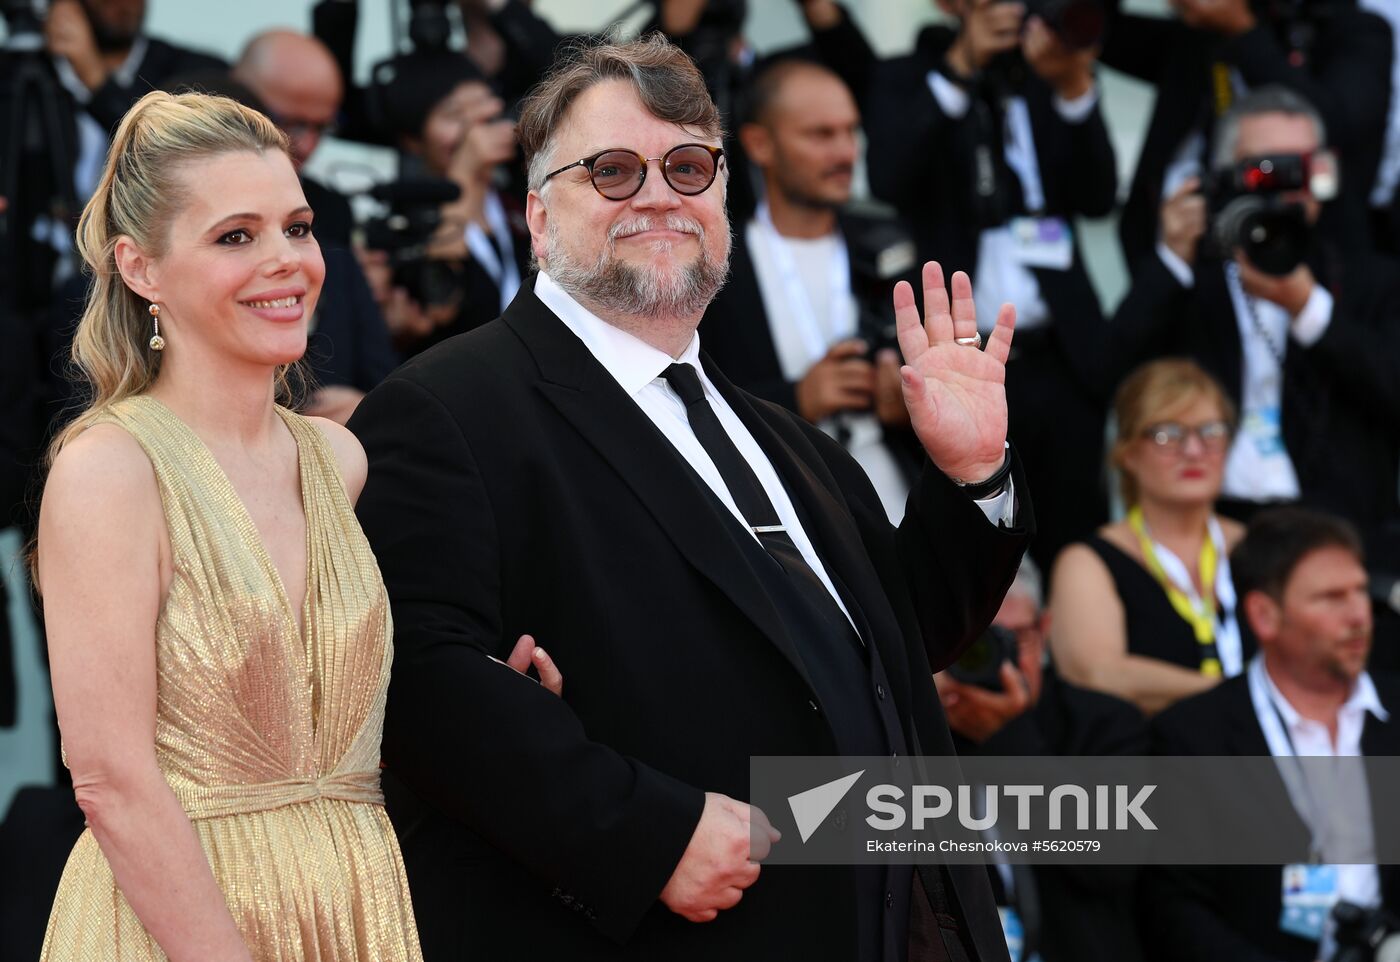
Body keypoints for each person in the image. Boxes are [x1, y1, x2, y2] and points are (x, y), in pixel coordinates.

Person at [350, 34, 1032, 962]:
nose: (660, 194)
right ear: (539, 219)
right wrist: (647, 832)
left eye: (687, 166)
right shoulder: (444, 409)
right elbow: (417, 683)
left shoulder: (791, 440)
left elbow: (906, 643)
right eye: (614, 171)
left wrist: (971, 476)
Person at [31, 89, 424, 961]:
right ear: (141, 270)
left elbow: (340, 719)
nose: (286, 261)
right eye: (235, 236)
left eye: (299, 226)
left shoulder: (339, 460)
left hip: (358, 906)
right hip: (180, 927)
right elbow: (110, 782)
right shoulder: (110, 471)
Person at [860, 0, 1119, 572]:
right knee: (982, 538)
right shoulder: (912, 75)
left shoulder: (1044, 74)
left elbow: (1099, 194)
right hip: (968, 365)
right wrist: (960, 67)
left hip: (1063, 356)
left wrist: (1074, 85)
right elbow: (890, 176)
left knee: (1080, 538)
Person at [1107, 86, 1400, 534]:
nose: (1286, 190)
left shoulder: (1370, 280)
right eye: (1266, 171)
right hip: (1208, 521)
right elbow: (1110, 375)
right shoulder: (1191, 278)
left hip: (1336, 525)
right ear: (1223, 178)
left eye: (1300, 169)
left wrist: (1309, 310)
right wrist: (1170, 262)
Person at [1143, 507, 1400, 962]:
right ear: (1264, 616)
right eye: (1330, 597)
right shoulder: (1194, 737)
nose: (1359, 614)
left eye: (1361, 590)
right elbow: (1175, 911)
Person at [700, 58, 921, 523]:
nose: (845, 152)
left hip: (901, 512)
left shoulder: (893, 243)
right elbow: (686, 404)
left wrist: (911, 403)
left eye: (850, 131)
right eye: (821, 135)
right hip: (777, 525)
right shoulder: (711, 262)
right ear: (760, 143)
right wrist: (796, 399)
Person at [935, 559, 1148, 962]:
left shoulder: (1103, 724)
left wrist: (1007, 741)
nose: (998, 663)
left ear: (1045, 630)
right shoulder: (910, 734)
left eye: (1015, 640)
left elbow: (1110, 862)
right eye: (973, 645)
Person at [1100, 0, 1392, 268]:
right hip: (1185, 256)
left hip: (1310, 263)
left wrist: (1242, 29)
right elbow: (1099, 32)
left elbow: (1334, 125)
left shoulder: (1356, 32)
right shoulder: (1198, 35)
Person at [1049, 359, 1250, 717]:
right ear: (1126, 452)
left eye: (1210, 432)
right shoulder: (1088, 561)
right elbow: (1097, 674)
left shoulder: (1260, 546)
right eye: (1167, 434)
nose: (1193, 450)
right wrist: (1243, 695)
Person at [231, 31, 398, 423]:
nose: (306, 146)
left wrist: (364, 414)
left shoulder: (333, 217)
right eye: (234, 236)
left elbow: (382, 378)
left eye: (298, 230)